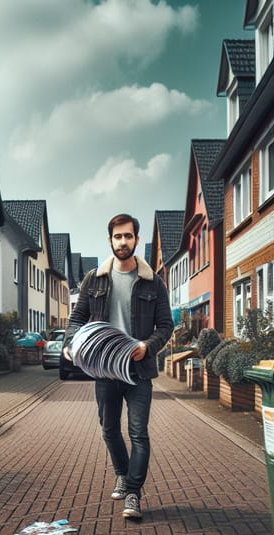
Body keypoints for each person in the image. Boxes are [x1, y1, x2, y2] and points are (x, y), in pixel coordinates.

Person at [63, 213, 173, 519]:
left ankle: (133, 493)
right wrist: (70, 345)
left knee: (138, 433)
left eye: (128, 236)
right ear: (110, 240)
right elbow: (76, 319)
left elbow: (165, 326)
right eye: (117, 236)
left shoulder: (154, 282)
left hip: (138, 370)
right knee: (109, 430)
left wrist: (146, 346)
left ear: (137, 240)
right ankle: (123, 475)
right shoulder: (94, 279)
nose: (122, 241)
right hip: (105, 371)